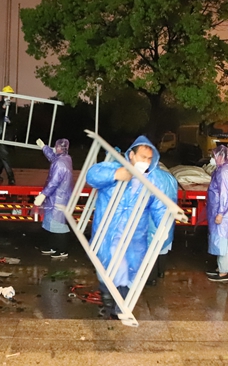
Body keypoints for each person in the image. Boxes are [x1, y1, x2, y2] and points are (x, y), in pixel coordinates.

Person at [86, 136, 169, 318]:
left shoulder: (152, 181)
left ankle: (118, 307)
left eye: (149, 159)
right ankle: (110, 301)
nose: (145, 162)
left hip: (135, 236)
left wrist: (163, 228)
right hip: (109, 233)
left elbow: (159, 206)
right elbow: (92, 176)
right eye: (142, 157)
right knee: (113, 266)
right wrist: (116, 175)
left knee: (130, 271)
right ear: (131, 155)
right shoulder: (113, 168)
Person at [34, 138, 73, 258]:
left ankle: (62, 250)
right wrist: (44, 147)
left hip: (58, 198)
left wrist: (43, 195)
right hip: (56, 197)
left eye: (56, 147)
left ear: (59, 148)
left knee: (58, 224)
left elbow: (53, 183)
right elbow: (53, 157)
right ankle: (53, 247)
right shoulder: (64, 158)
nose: (55, 149)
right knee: (50, 222)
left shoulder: (60, 164)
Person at [205, 145, 228, 283]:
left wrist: (220, 213)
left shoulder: (224, 172)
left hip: (221, 212)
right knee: (218, 240)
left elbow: (225, 194)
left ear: (220, 156)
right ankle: (220, 268)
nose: (212, 159)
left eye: (214, 156)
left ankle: (223, 272)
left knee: (221, 241)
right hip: (217, 210)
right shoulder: (221, 170)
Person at [146, 167, 178, 286]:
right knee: (164, 246)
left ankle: (151, 278)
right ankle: (161, 272)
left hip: (153, 217)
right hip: (167, 215)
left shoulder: (148, 178)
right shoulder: (170, 177)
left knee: (151, 247)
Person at [0, 85, 15, 185]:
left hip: (7, 135)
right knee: (5, 155)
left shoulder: (12, 106)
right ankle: (11, 177)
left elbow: (14, 119)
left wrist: (10, 121)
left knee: (3, 155)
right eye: (6, 94)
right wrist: (3, 107)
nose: (8, 96)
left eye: (10, 95)